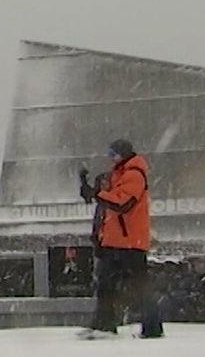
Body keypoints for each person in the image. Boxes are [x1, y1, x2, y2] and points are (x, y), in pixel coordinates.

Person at [78, 139, 164, 340]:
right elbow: (107, 204)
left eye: (113, 154)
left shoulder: (134, 174)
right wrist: (92, 191)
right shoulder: (120, 174)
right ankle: (104, 326)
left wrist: (98, 194)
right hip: (115, 242)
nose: (110, 158)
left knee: (136, 287)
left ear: (123, 153)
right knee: (107, 286)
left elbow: (122, 202)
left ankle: (151, 327)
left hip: (130, 243)